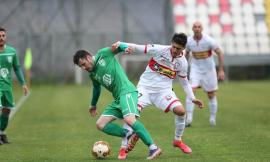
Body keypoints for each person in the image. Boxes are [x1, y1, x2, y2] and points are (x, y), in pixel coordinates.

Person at [113, 33, 204, 160]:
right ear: (171, 43)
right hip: (144, 89)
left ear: (183, 49)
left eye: (178, 48)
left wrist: (192, 98)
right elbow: (139, 47)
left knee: (181, 111)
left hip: (163, 92)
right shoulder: (160, 49)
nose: (174, 50)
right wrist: (121, 44)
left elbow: (184, 81)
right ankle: (123, 148)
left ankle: (178, 141)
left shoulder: (182, 62)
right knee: (130, 116)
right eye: (173, 46)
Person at [72, 43, 162, 160]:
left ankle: (153, 148)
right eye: (81, 67)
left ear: (89, 57)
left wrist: (125, 48)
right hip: (118, 99)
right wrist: (93, 104)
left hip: (127, 92)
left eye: (83, 64)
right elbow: (96, 88)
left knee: (129, 119)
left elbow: (117, 47)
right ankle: (129, 134)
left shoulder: (103, 54)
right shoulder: (92, 73)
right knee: (100, 124)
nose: (84, 68)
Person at [185, 21, 225, 127]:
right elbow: (187, 53)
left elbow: (220, 53)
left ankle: (212, 118)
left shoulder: (209, 40)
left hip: (209, 70)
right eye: (195, 27)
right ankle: (189, 118)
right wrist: (183, 68)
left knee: (211, 94)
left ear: (202, 29)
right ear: (192, 29)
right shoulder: (189, 41)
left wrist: (221, 70)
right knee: (191, 92)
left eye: (199, 27)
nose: (197, 29)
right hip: (195, 69)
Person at [0, 27, 29, 144]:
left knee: (7, 110)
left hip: (7, 86)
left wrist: (23, 84)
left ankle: (1, 132)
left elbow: (17, 68)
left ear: (6, 37)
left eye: (3, 36)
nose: (1, 38)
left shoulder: (12, 51)